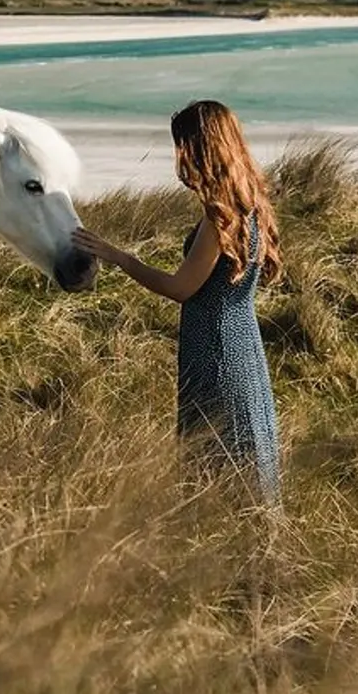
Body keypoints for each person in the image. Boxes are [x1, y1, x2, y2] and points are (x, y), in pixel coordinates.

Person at [72, 99, 281, 503]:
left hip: (215, 351)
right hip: (244, 347)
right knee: (247, 454)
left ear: (203, 148)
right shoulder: (253, 207)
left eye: (183, 146)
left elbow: (181, 288)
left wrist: (120, 257)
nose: (179, 157)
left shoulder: (220, 220)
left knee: (215, 457)